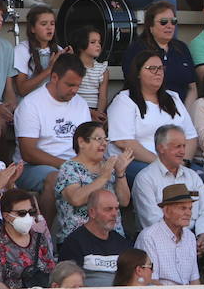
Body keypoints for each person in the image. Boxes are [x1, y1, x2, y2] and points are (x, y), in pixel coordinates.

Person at [15, 53, 89, 226]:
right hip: (31, 168)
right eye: (70, 85)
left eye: (78, 85)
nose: (75, 90)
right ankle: (43, 239)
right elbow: (28, 153)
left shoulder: (80, 103)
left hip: (73, 165)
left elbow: (87, 142)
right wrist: (68, 166)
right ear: (54, 77)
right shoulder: (31, 104)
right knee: (56, 178)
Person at [108, 52, 199, 187]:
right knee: (166, 182)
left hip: (176, 161)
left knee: (202, 178)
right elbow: (123, 141)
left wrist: (184, 161)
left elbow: (191, 137)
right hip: (137, 161)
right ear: (138, 73)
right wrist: (162, 163)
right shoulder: (124, 100)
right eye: (152, 68)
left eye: (161, 68)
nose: (158, 72)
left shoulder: (173, 98)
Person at [53, 122, 130, 244]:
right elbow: (76, 199)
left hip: (112, 237)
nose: (104, 143)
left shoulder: (107, 166)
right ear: (81, 142)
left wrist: (120, 173)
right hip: (79, 241)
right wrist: (103, 178)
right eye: (98, 139)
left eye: (106, 139)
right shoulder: (69, 168)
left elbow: (124, 201)